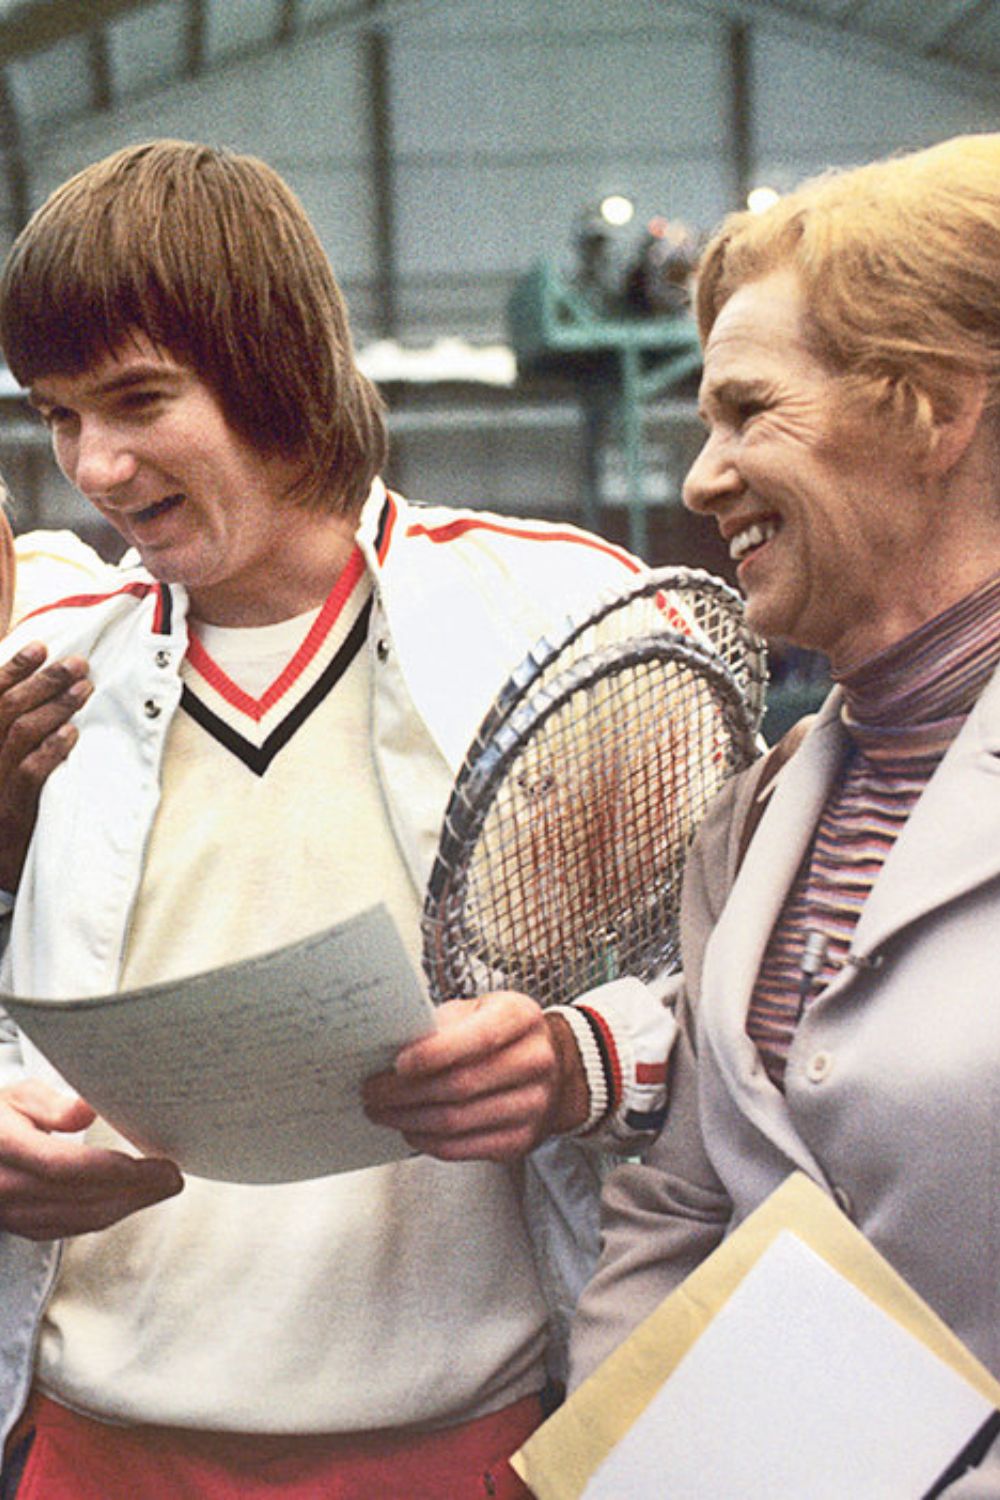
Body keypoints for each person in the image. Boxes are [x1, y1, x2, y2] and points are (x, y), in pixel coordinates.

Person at [0, 140, 677, 1498]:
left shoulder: (563, 614)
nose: (99, 463)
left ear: (280, 363)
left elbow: (734, 984)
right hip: (90, 1441)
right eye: (60, 414)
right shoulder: (41, 671)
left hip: (460, 1436)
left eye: (138, 398)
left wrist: (583, 1057)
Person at [570, 132, 1000, 1494]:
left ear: (934, 410)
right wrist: (609, 1459)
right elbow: (683, 1203)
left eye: (751, 413)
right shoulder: (758, 814)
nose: (703, 477)